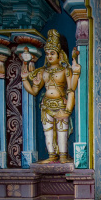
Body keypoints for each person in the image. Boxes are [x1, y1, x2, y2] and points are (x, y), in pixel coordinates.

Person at [21, 29, 81, 164]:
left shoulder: (65, 70)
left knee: (62, 132)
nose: (49, 56)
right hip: (46, 105)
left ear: (60, 55)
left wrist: (67, 110)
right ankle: (52, 155)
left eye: (52, 53)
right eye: (47, 54)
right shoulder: (43, 71)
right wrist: (25, 79)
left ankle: (64, 156)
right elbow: (34, 91)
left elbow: (71, 89)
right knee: (47, 131)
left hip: (61, 104)